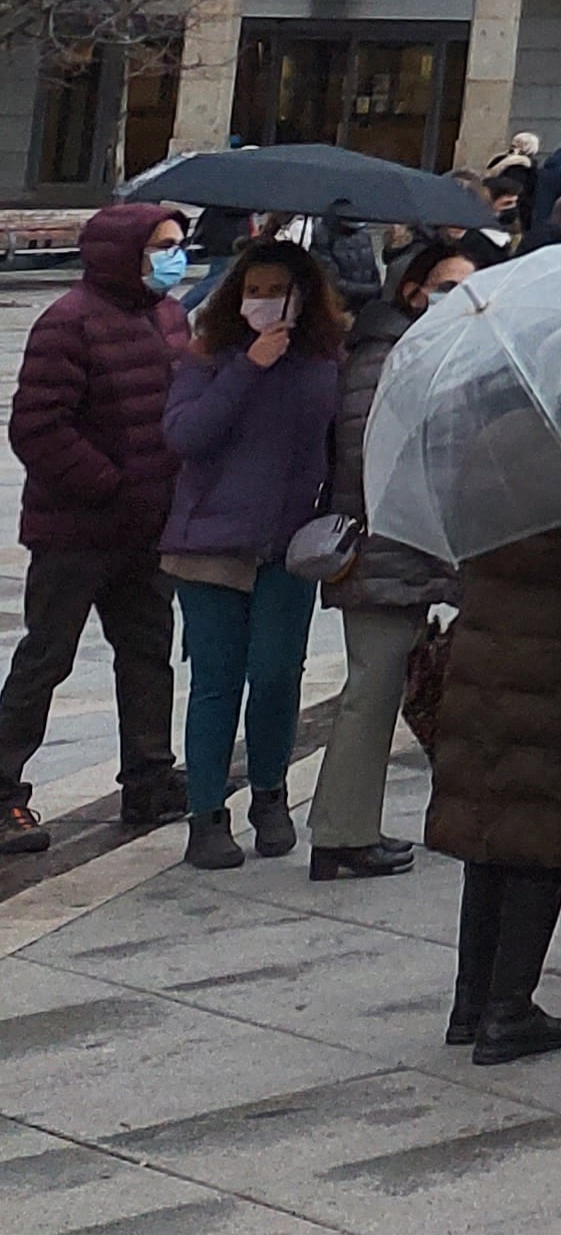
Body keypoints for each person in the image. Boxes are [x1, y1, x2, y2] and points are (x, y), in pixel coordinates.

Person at [0, 200, 191, 859]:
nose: (175, 258)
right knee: (45, 658)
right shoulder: (68, 322)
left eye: (176, 244)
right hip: (76, 530)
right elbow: (36, 427)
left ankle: (150, 776)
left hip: (147, 528)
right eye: (162, 246)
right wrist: (113, 486)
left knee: (147, 653)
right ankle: (2, 794)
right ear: (123, 252)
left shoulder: (168, 315)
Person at [422, 510, 561, 1066]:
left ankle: (470, 1006)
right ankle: (509, 1010)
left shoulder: (484, 460)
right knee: (540, 841)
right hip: (554, 672)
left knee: (489, 839)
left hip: (482, 663)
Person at [160, 237, 348, 871]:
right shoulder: (209, 354)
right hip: (210, 542)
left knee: (275, 675)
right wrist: (249, 367)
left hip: (290, 545)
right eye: (253, 289)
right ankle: (206, 815)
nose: (262, 302)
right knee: (216, 682)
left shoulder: (323, 361)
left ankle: (270, 793)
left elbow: (337, 443)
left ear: (303, 297)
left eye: (276, 290)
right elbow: (186, 435)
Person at [309, 232, 468, 880]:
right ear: (413, 290)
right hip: (381, 546)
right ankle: (340, 835)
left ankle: (349, 828)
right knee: (371, 691)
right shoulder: (385, 355)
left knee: (380, 687)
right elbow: (370, 455)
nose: (464, 299)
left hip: (409, 545)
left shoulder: (422, 348)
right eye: (451, 287)